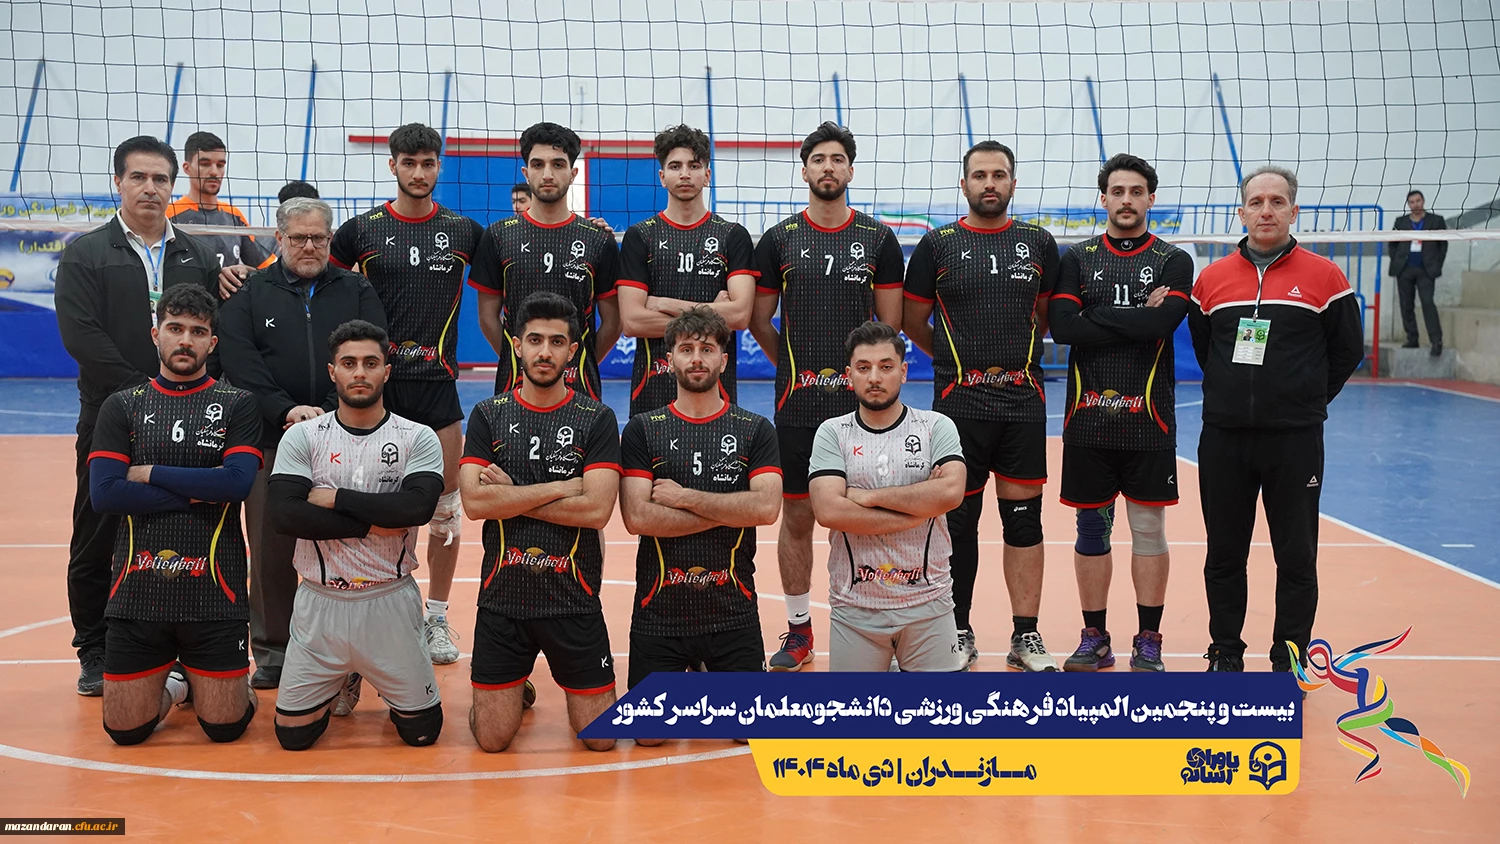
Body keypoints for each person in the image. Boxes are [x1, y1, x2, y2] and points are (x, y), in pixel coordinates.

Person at [54, 135, 220, 695]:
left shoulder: (195, 255)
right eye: (138, 177)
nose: (150, 188)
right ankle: (94, 648)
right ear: (118, 183)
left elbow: (208, 331)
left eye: (160, 179)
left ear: (174, 185)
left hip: (188, 421)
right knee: (97, 531)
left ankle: (182, 643)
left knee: (187, 529)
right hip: (111, 416)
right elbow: (82, 337)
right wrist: (143, 396)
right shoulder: (86, 253)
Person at [1189, 165, 1364, 675]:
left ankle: (1289, 657)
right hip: (1224, 440)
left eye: (1277, 201)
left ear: (1293, 210)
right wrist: (1234, 396)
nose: (1266, 210)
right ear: (1241, 212)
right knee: (1224, 554)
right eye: (1257, 202)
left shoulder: (1326, 277)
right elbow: (1206, 349)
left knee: (1296, 556)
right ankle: (1225, 651)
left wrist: (1305, 401)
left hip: (1294, 441)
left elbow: (1347, 350)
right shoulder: (1212, 279)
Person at [749, 121, 904, 671]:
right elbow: (760, 321)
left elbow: (888, 330)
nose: (828, 167)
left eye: (838, 159)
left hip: (865, 410)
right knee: (797, 518)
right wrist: (795, 369)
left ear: (850, 170)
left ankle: (879, 626)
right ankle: (799, 631)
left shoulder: (878, 239)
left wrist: (862, 377)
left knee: (868, 515)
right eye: (819, 159)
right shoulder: (779, 239)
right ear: (805, 170)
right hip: (799, 406)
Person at [901, 141, 1062, 672]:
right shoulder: (938, 245)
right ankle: (958, 631)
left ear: (1013, 183)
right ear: (964, 184)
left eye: (999, 174)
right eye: (979, 175)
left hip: (1022, 402)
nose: (989, 183)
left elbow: (1044, 316)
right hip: (958, 404)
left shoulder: (1038, 242)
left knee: (1025, 523)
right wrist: (957, 362)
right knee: (958, 524)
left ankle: (1026, 635)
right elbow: (912, 320)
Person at [216, 197, 388, 690]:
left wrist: (336, 415)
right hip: (272, 439)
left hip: (348, 438)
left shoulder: (356, 289)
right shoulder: (251, 292)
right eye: (298, 238)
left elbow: (372, 351)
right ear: (279, 239)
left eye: (318, 237)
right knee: (271, 549)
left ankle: (350, 655)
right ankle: (274, 651)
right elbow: (240, 361)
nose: (309, 246)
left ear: (330, 239)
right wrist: (284, 410)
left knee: (350, 546)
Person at [328, 122, 484, 665]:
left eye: (428, 163)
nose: (419, 172)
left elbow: (523, 259)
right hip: (375, 391)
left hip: (438, 388)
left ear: (439, 165)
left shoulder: (464, 231)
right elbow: (315, 282)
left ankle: (436, 619)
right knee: (369, 502)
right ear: (392, 164)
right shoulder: (360, 231)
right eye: (409, 163)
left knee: (446, 508)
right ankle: (363, 618)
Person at [88, 284, 261, 744]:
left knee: (224, 728)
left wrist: (149, 474)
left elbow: (236, 485)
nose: (185, 340)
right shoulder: (122, 405)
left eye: (198, 332)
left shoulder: (237, 404)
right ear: (156, 334)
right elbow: (105, 494)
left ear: (212, 343)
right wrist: (196, 492)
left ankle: (208, 686)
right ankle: (178, 684)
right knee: (124, 732)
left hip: (215, 592)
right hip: (137, 592)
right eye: (175, 328)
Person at [266, 320, 446, 749]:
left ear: (387, 370)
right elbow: (285, 515)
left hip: (388, 599)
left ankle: (374, 671)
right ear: (333, 372)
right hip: (319, 601)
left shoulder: (417, 437)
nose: (360, 372)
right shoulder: (304, 436)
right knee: (292, 737)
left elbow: (416, 509)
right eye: (349, 363)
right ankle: (343, 675)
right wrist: (374, 523)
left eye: (370, 363)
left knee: (422, 733)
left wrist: (333, 498)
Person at [1047, 153, 1194, 673]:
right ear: (1103, 198)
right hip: (1088, 422)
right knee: (1092, 530)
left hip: (1149, 421)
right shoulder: (1077, 258)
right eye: (1117, 191)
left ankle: (1149, 639)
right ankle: (1095, 637)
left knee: (1148, 529)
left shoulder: (1174, 260)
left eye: (1136, 192)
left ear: (1151, 199)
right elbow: (1063, 328)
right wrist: (1136, 317)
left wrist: (1094, 314)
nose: (1126, 200)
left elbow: (1162, 326)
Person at [459, 292, 622, 753]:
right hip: (503, 599)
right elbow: (474, 502)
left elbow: (596, 511)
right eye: (534, 340)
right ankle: (507, 691)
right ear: (516, 345)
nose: (544, 352)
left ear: (573, 351)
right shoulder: (488, 414)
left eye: (556, 342)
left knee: (602, 740)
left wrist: (510, 496)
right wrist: (562, 487)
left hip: (573, 598)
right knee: (492, 740)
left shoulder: (596, 418)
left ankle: (516, 688)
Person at [618, 307, 781, 721]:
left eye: (707, 349)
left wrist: (684, 497)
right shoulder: (642, 429)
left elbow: (766, 508)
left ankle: (708, 668)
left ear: (723, 361)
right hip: (659, 612)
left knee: (750, 728)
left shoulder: (755, 429)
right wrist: (732, 509)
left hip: (732, 610)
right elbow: (637, 518)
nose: (696, 358)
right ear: (669, 359)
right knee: (649, 735)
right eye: (686, 349)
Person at [807, 322, 967, 672]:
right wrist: (919, 509)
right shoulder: (833, 433)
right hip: (855, 609)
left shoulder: (935, 427)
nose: (875, 377)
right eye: (864, 368)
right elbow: (830, 511)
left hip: (929, 604)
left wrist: (866, 497)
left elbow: (951, 491)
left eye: (886, 366)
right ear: (849, 375)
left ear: (903, 372)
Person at [470, 123, 621, 399]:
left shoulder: (598, 240)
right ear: (526, 173)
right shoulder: (498, 236)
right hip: (515, 388)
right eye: (538, 165)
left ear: (573, 174)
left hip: (580, 389)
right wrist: (522, 359)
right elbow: (487, 317)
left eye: (558, 164)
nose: (548, 174)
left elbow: (613, 323)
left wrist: (574, 362)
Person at [618, 125, 757, 417]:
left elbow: (740, 316)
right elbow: (632, 321)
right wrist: (713, 318)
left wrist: (663, 303)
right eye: (675, 166)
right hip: (652, 393)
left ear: (707, 175)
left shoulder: (732, 236)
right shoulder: (639, 236)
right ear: (662, 177)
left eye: (694, 166)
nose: (684, 174)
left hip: (717, 394)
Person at [166, 131, 275, 298]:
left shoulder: (234, 215)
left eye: (220, 165)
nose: (214, 172)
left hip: (227, 307)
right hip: (184, 306)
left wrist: (246, 271)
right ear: (187, 168)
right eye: (205, 164)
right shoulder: (169, 214)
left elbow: (268, 267)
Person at [1390, 189, 1447, 356]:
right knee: (1406, 305)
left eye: (1418, 201)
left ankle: (1436, 341)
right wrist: (1397, 260)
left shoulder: (1436, 220)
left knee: (1428, 303)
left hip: (1426, 270)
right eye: (1412, 202)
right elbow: (1392, 243)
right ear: (1408, 204)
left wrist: (1436, 264)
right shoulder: (1400, 221)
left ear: (1423, 201)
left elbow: (1443, 245)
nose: (1415, 204)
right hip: (1405, 269)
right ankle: (1412, 338)